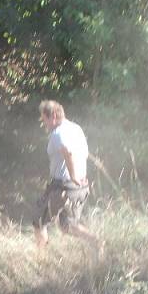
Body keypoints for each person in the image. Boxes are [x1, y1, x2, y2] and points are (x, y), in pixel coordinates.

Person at [34, 100, 100, 249]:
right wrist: (77, 178)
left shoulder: (58, 133)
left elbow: (68, 152)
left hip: (64, 186)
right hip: (80, 186)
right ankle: (95, 241)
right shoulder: (76, 128)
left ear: (54, 116)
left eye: (45, 120)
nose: (44, 125)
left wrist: (73, 175)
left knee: (38, 220)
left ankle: (39, 258)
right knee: (67, 225)